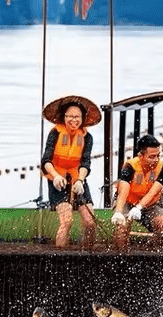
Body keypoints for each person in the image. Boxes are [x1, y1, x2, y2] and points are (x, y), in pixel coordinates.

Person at [41, 95, 100, 248]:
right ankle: (60, 255)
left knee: (89, 222)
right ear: (64, 117)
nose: (73, 120)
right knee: (66, 221)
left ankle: (88, 253)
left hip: (77, 179)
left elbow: (85, 162)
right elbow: (45, 160)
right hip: (57, 179)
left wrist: (80, 180)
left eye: (77, 117)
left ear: (83, 118)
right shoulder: (55, 133)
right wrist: (55, 177)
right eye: (70, 116)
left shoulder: (87, 137)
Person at [110, 134, 163, 249]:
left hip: (149, 204)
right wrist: (118, 211)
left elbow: (153, 192)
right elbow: (123, 190)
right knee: (122, 228)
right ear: (140, 155)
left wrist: (139, 207)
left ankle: (152, 250)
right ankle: (120, 254)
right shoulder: (130, 166)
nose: (156, 160)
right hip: (127, 201)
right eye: (151, 157)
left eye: (158, 156)